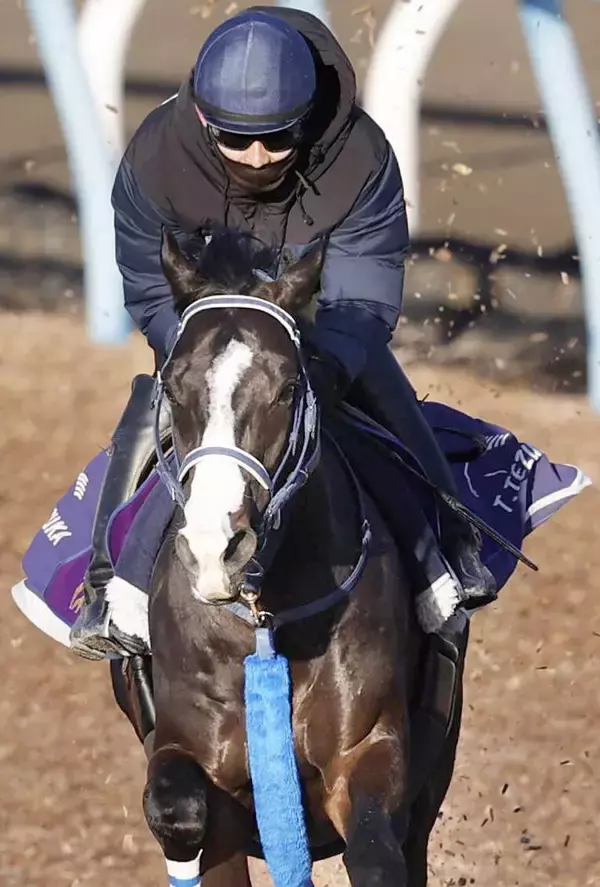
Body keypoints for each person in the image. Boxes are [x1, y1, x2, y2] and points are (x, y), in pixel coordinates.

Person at [69, 5, 495, 660]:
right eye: (237, 140)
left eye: (279, 137)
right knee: (156, 402)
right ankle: (106, 588)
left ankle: (449, 549)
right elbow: (151, 288)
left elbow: (364, 300)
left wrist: (311, 371)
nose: (259, 156)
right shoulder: (155, 157)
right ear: (205, 120)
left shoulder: (361, 156)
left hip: (319, 329)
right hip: (207, 331)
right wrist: (195, 352)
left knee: (382, 383)